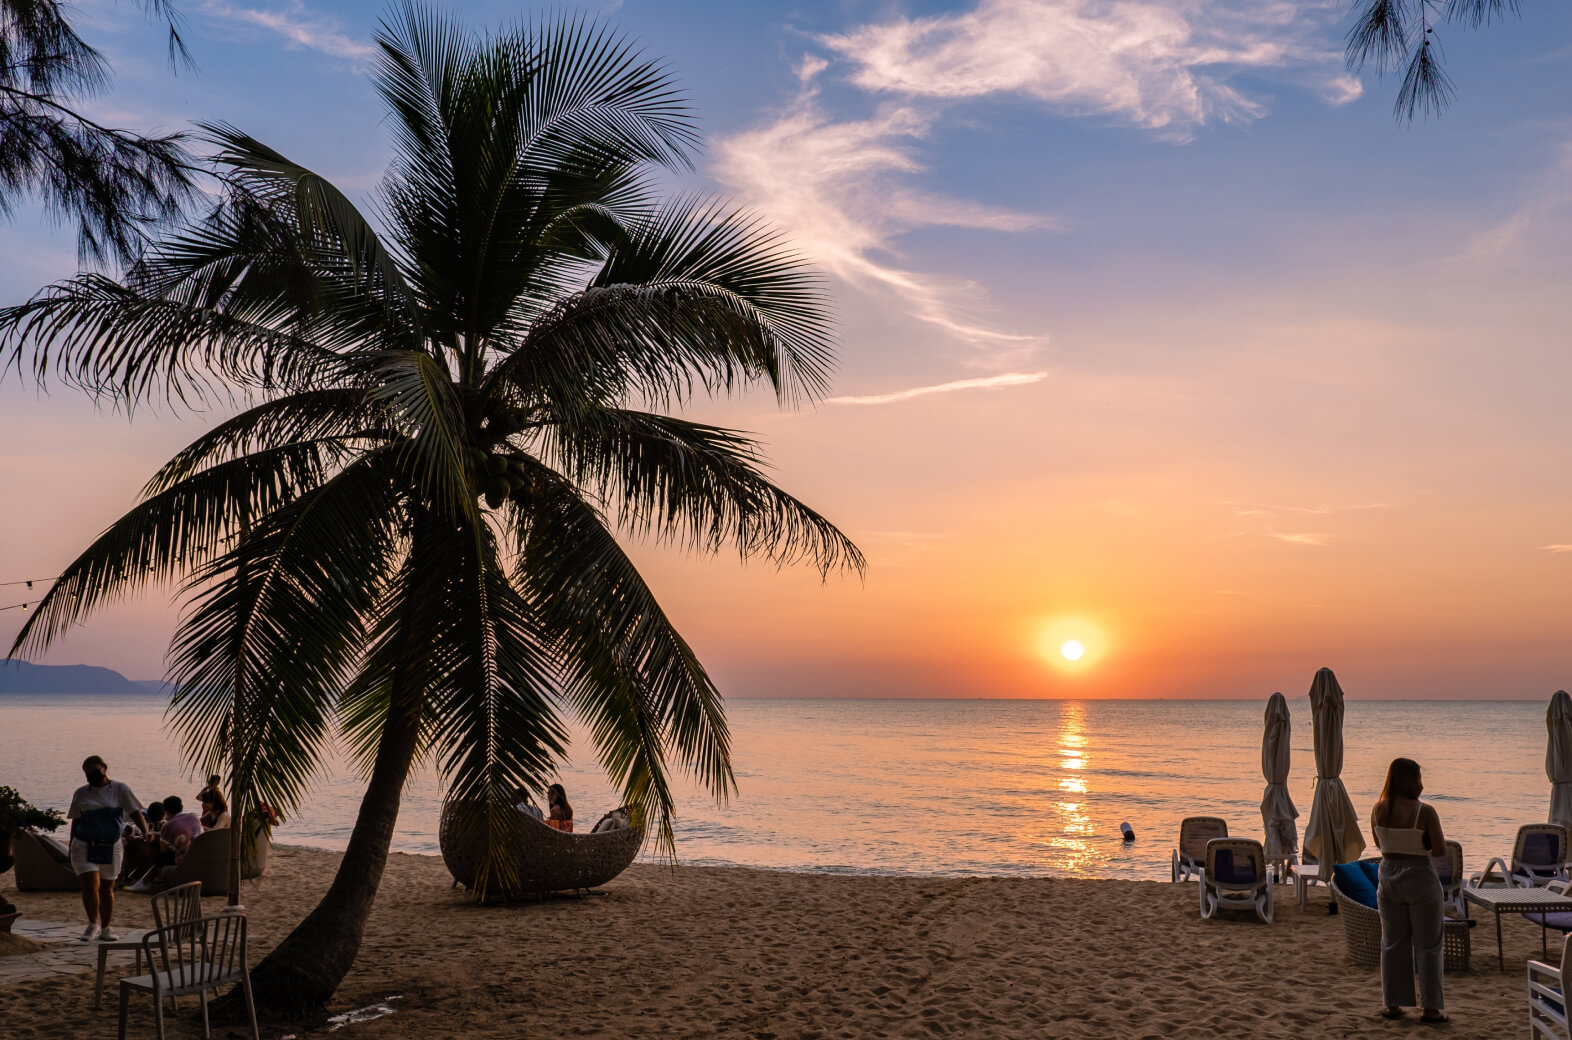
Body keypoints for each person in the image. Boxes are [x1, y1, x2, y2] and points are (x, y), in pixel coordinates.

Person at [1371, 757, 1448, 1023]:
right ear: (1412, 780)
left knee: (1392, 944)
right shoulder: (1424, 811)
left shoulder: (1378, 809)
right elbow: (1439, 850)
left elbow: (1379, 843)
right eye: (1418, 778)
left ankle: (1392, 1004)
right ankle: (1430, 1009)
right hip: (1419, 878)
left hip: (1389, 876)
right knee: (1428, 946)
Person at [65, 756, 148, 942]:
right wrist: (71, 843)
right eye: (88, 774)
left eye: (95, 772)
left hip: (111, 845)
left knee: (107, 888)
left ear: (104, 769)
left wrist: (145, 831)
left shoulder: (120, 789)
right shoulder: (81, 793)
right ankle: (92, 924)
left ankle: (106, 927)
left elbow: (135, 812)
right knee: (90, 884)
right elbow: (76, 819)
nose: (91, 777)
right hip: (84, 844)